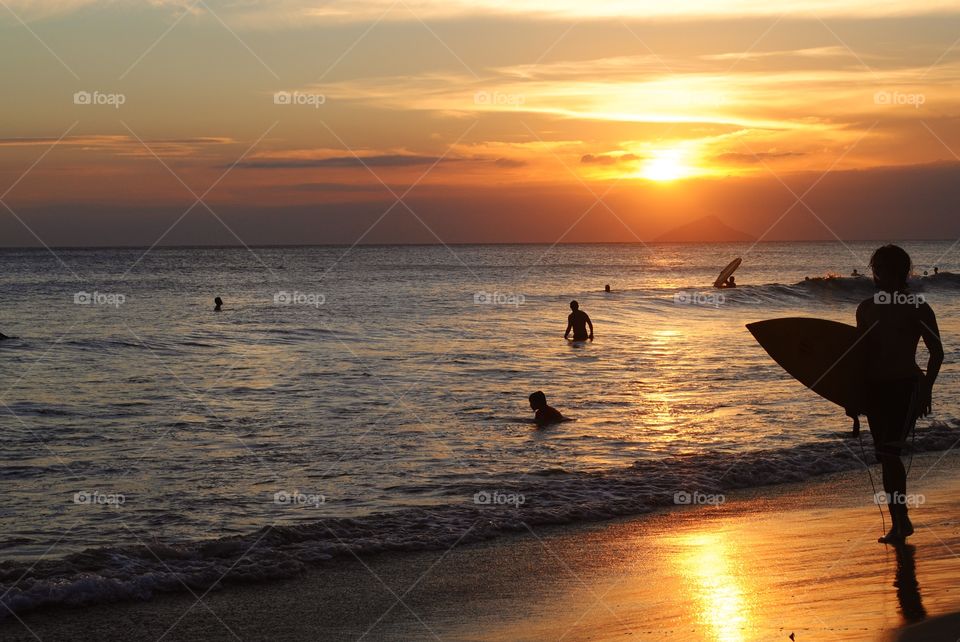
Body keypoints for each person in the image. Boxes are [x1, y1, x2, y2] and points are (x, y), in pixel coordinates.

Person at [850, 245, 943, 544]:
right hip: (875, 389)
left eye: (886, 267)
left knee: (890, 453)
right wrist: (851, 395)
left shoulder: (917, 307)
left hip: (905, 387)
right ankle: (898, 522)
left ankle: (901, 520)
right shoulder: (866, 308)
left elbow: (937, 352)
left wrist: (926, 390)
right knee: (884, 455)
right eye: (877, 267)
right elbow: (860, 357)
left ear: (900, 271)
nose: (880, 273)